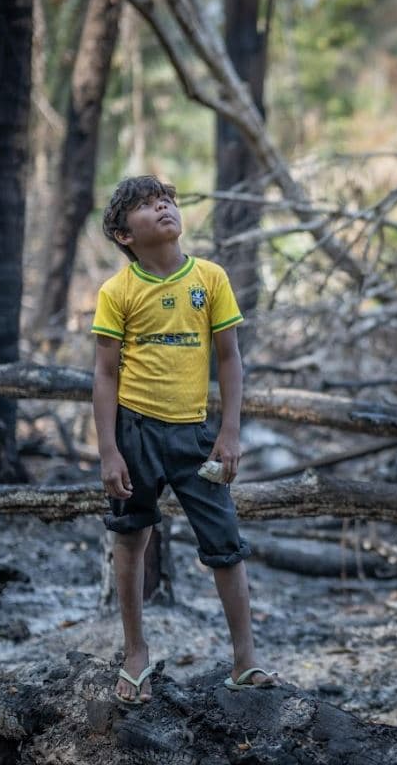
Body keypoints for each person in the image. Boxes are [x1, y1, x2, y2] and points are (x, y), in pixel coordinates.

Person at [90, 175, 277, 705]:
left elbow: (229, 359)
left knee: (225, 544)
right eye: (147, 207)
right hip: (135, 433)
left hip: (196, 435)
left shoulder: (210, 279)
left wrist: (230, 431)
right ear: (125, 236)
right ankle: (135, 653)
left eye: (166, 200)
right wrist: (108, 450)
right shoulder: (117, 291)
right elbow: (104, 375)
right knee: (130, 537)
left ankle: (245, 661)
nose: (163, 208)